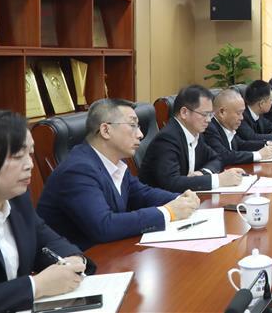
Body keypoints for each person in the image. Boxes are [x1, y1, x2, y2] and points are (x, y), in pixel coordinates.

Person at [0, 110, 89, 312]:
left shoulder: (17, 198)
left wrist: (73, 260)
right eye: (17, 156)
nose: (30, 165)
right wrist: (35, 287)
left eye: (30, 153)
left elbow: (46, 240)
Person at [37, 99, 199, 250]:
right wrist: (168, 212)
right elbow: (104, 226)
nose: (140, 134)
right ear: (106, 130)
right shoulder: (78, 170)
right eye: (133, 125)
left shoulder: (114, 163)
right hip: (78, 261)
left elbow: (142, 194)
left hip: (109, 252)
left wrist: (180, 199)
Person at [139, 84, 244, 192]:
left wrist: (203, 172)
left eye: (210, 115)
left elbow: (217, 158)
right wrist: (218, 180)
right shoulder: (167, 139)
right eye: (204, 114)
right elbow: (171, 183)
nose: (208, 120)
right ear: (184, 112)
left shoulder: (195, 133)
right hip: (163, 200)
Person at [205, 89, 272, 166]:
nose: (242, 118)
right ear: (222, 112)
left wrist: (267, 144)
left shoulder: (226, 126)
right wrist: (258, 155)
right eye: (238, 113)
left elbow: (241, 144)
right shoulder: (209, 128)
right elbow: (223, 156)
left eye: (242, 113)